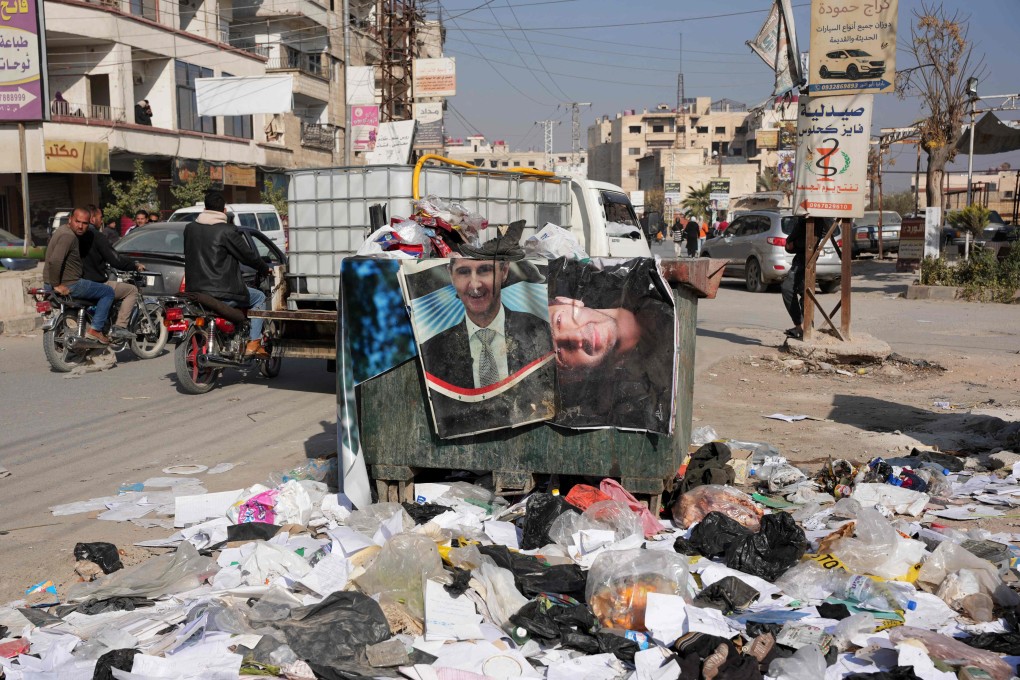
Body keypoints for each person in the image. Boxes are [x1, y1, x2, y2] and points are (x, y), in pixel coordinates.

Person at [419, 257, 551, 389]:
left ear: (504, 271)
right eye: (463, 272)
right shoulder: (433, 351)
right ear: (451, 275)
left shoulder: (541, 331)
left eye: (485, 270)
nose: (475, 285)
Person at [184, 190, 271, 357]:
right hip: (224, 292)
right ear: (224, 211)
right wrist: (264, 268)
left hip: (195, 291)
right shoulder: (228, 231)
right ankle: (254, 343)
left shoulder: (190, 228)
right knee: (259, 297)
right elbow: (248, 256)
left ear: (205, 209)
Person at [43, 207, 116, 344]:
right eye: (77, 221)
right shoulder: (68, 236)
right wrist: (56, 284)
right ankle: (96, 329)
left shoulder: (62, 230)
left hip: (53, 282)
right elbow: (55, 260)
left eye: (85, 223)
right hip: (71, 284)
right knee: (108, 292)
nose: (81, 226)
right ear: (70, 219)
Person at [80, 207, 145, 340]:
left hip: (76, 281)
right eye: (100, 218)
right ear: (92, 219)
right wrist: (134, 266)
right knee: (131, 290)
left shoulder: (73, 235)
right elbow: (115, 260)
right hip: (94, 283)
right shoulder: (97, 236)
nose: (101, 221)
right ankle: (120, 327)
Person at [781, 216, 827, 340]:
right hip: (801, 258)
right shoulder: (803, 216)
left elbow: (811, 240)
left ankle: (801, 326)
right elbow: (791, 242)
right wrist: (791, 244)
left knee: (788, 288)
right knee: (803, 291)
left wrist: (794, 244)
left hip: (806, 259)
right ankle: (804, 326)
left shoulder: (817, 216)